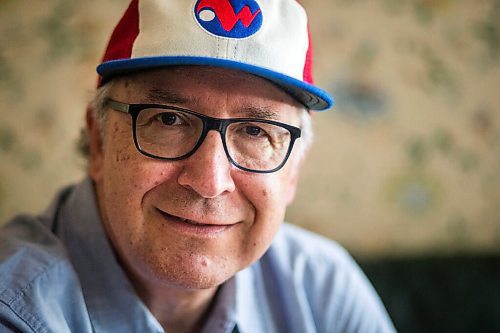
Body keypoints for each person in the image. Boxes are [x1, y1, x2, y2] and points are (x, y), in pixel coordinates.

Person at [0, 0, 396, 332]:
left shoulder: (324, 288)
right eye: (169, 119)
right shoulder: (16, 309)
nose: (209, 181)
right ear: (100, 141)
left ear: (292, 170)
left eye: (257, 132)